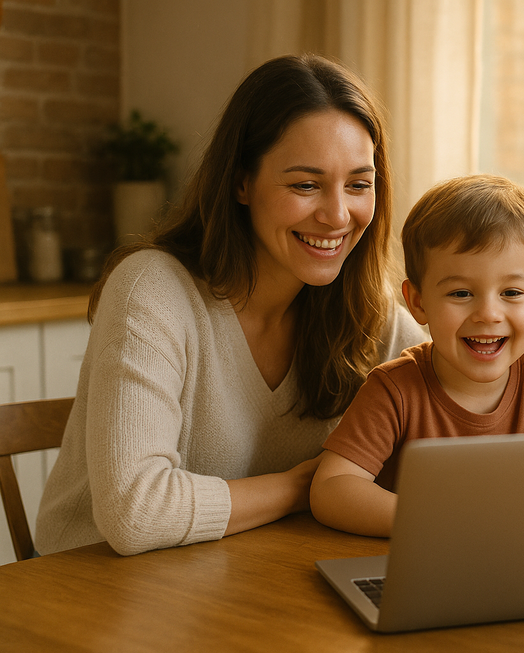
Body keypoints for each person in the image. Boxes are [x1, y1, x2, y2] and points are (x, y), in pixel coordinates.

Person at [35, 54, 427, 556]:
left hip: (243, 578)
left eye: (358, 185)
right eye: (305, 185)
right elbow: (136, 512)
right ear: (242, 182)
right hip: (87, 594)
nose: (337, 215)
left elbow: (456, 415)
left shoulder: (366, 311)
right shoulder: (152, 291)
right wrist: (303, 487)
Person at [310, 174, 524, 537]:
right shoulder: (393, 389)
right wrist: (442, 521)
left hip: (521, 567)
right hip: (418, 568)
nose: (489, 314)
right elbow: (331, 489)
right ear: (417, 303)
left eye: (511, 292)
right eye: (461, 294)